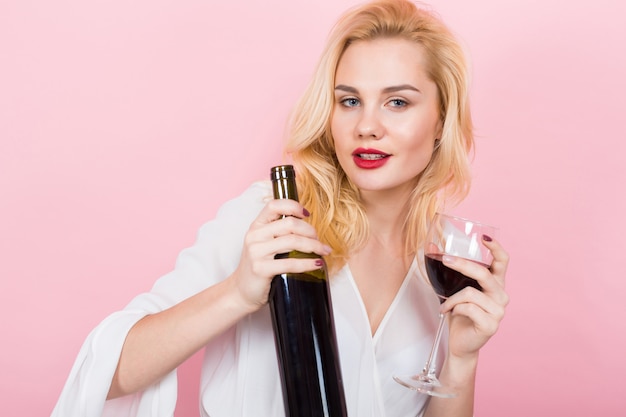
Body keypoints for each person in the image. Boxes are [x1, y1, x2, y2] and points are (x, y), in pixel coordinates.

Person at [52, 0, 509, 416]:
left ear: (440, 123)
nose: (367, 126)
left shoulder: (441, 265)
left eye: (397, 102)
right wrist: (237, 292)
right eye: (349, 101)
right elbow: (111, 373)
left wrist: (461, 362)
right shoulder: (274, 220)